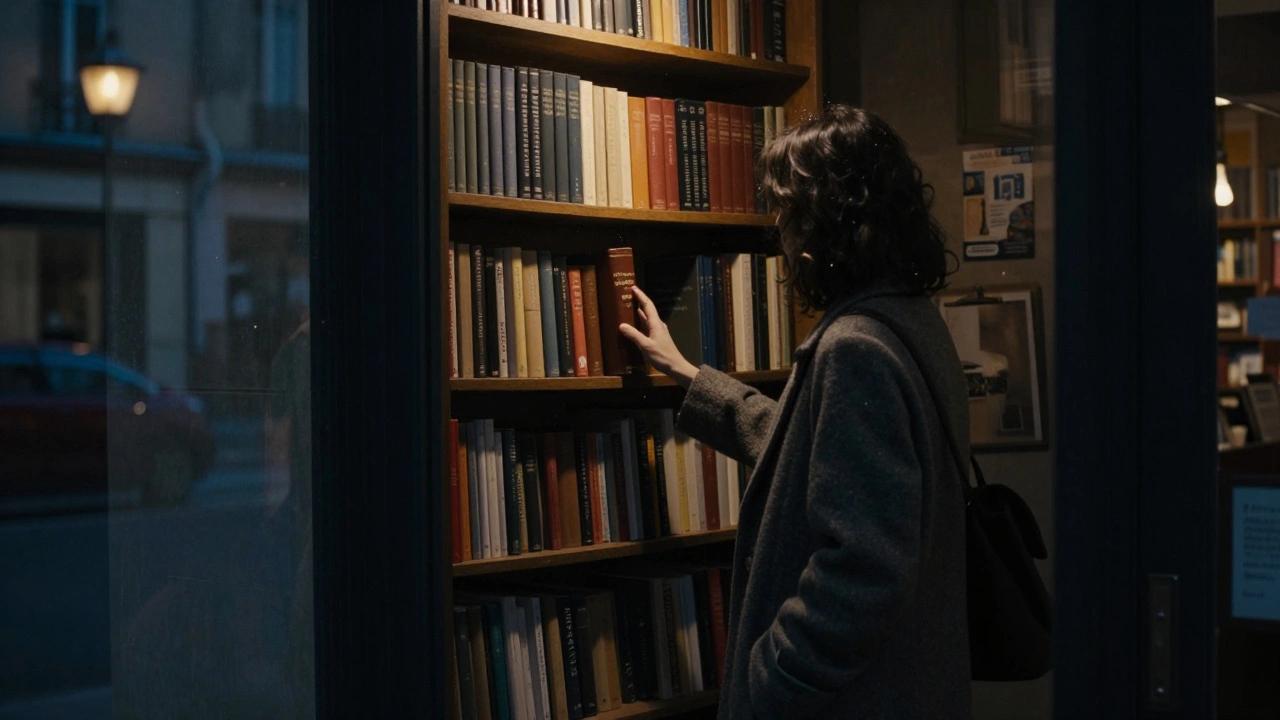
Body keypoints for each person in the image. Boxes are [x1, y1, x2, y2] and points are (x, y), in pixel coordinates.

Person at [621, 106, 971, 719]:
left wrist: (769, 679)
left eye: (789, 210)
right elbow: (809, 454)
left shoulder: (854, 347)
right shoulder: (910, 321)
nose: (779, 230)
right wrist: (686, 373)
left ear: (826, 222)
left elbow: (863, 571)